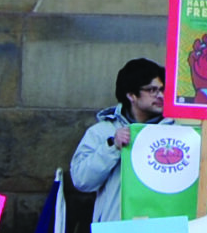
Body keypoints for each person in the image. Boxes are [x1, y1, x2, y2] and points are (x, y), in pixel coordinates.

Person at [70, 59, 169, 223]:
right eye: (152, 90)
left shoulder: (175, 130)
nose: (160, 96)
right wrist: (112, 147)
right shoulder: (102, 132)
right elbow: (81, 180)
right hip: (116, 232)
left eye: (162, 89)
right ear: (131, 95)